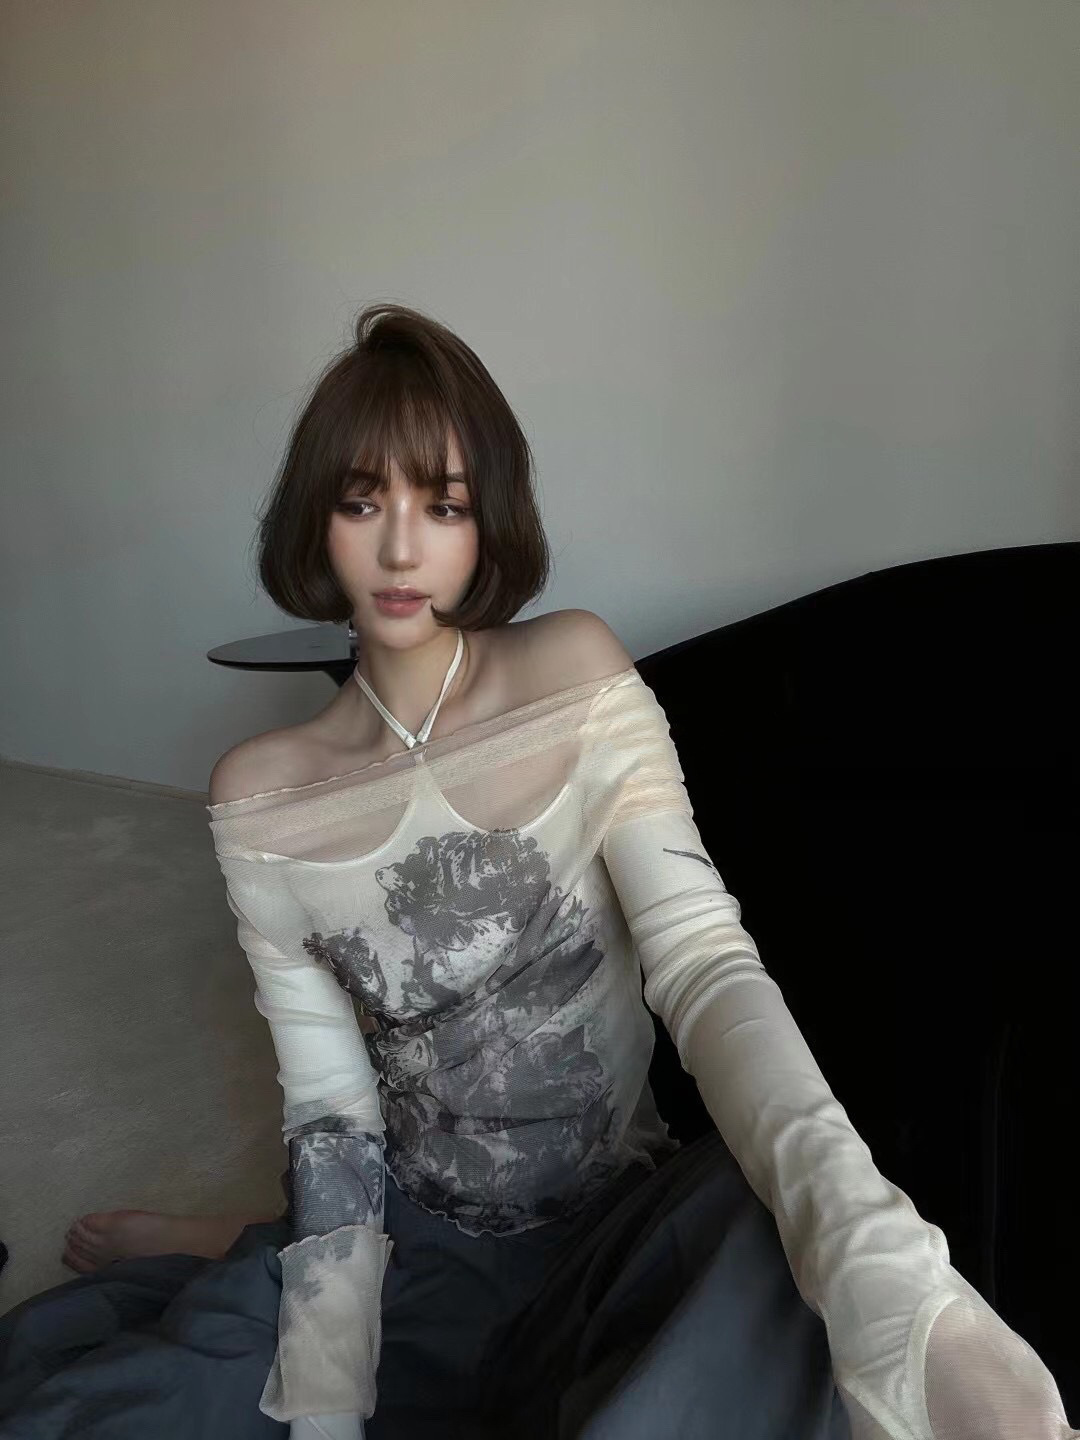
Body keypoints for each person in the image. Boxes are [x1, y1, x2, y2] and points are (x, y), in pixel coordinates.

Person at [0, 304, 1073, 1440]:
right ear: (316, 519)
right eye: (362, 502)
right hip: (417, 1254)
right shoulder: (260, 791)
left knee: (766, 1253)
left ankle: (235, 1245)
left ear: (488, 520)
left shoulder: (575, 672)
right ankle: (240, 1253)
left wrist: (877, 1263)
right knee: (118, 1410)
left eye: (444, 505)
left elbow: (703, 962)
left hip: (620, 1226)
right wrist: (325, 1408)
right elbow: (332, 1114)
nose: (401, 551)